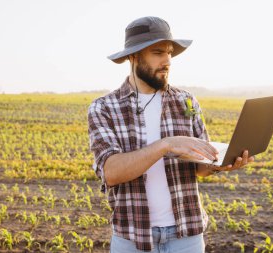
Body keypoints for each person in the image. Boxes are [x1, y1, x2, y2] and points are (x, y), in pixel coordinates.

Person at [88, 16, 254, 253]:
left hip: (186, 237)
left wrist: (222, 163)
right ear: (133, 57)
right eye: (157, 52)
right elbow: (111, 172)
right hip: (133, 239)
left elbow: (201, 168)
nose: (167, 60)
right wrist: (165, 145)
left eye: (169, 52)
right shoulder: (104, 108)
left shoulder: (186, 101)